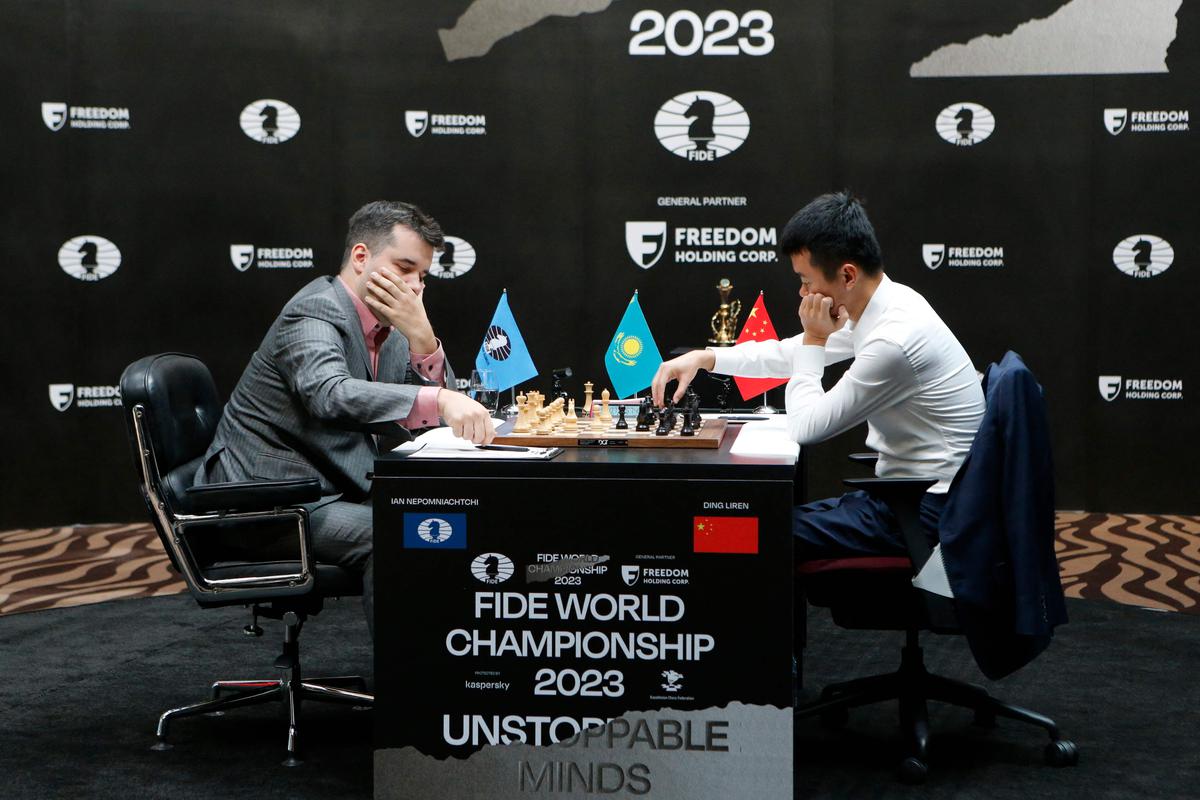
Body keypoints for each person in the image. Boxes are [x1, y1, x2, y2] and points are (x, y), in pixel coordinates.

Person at [195, 200, 494, 635]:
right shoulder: (315, 309)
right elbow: (328, 394)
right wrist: (441, 399)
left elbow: (429, 417)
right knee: (403, 534)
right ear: (361, 257)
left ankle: (442, 666)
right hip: (266, 502)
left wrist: (423, 338)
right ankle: (403, 689)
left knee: (448, 521)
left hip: (329, 487)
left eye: (423, 276)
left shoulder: (392, 326)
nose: (414, 286)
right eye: (404, 267)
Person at [651, 192, 985, 559]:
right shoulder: (889, 304)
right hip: (908, 496)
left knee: (724, 533)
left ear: (847, 275)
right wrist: (707, 357)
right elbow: (789, 354)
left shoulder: (894, 340)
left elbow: (805, 427)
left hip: (928, 513)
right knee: (743, 525)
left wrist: (815, 337)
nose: (802, 292)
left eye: (806, 281)